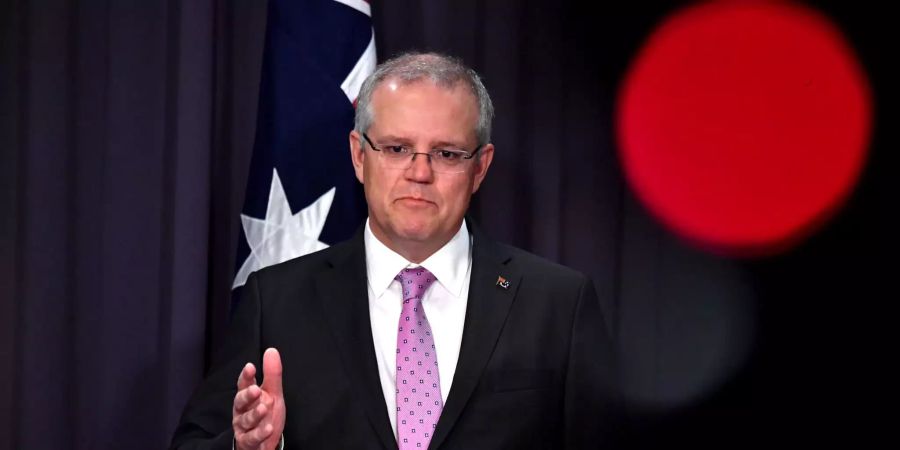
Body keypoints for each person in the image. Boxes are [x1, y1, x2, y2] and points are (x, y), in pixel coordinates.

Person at [171, 52, 619, 450]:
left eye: (446, 153)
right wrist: (245, 447)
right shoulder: (277, 301)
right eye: (397, 148)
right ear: (359, 156)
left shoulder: (558, 304)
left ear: (480, 168)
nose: (419, 172)